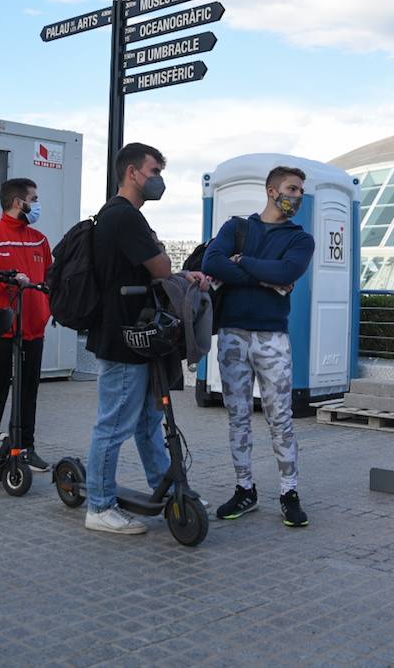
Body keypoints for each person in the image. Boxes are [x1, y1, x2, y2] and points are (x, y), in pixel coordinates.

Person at [82, 143, 191, 535]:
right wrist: (160, 253)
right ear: (132, 172)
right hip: (123, 338)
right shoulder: (124, 217)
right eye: (155, 170)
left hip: (135, 335)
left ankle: (171, 491)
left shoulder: (118, 216)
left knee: (147, 421)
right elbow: (161, 267)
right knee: (114, 425)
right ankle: (99, 506)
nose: (159, 178)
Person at [202, 165, 316, 528]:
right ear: (271, 191)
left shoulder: (301, 239)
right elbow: (211, 261)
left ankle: (289, 492)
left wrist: (244, 264)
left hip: (272, 338)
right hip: (233, 335)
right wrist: (266, 276)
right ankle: (244, 489)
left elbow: (287, 273)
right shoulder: (237, 228)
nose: (297, 196)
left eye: (300, 191)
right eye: (292, 189)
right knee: (237, 418)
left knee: (280, 418)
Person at [0, 178, 52, 473]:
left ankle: (25, 446)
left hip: (33, 328)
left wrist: (50, 304)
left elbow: (50, 276)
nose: (38, 203)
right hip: (0, 327)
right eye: (35, 197)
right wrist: (3, 277)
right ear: (20, 202)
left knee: (28, 390)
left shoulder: (39, 239)